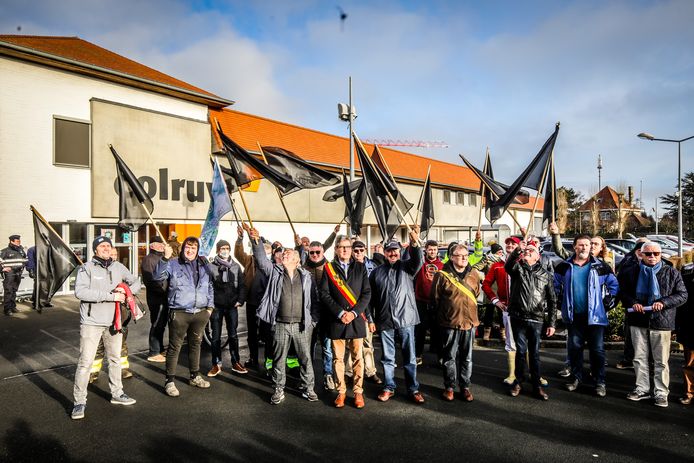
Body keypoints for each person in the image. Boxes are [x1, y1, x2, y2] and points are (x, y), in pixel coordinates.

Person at [71, 236, 140, 420]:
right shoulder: (86, 268)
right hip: (91, 323)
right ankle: (79, 402)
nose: (106, 248)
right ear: (95, 250)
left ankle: (117, 394)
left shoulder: (118, 267)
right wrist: (111, 296)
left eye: (108, 245)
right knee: (85, 363)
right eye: (102, 246)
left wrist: (126, 292)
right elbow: (81, 292)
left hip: (114, 322)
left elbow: (136, 282)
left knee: (116, 359)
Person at [250, 227, 320, 405]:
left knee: (305, 358)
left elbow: (313, 300)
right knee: (279, 359)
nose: (284, 255)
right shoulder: (275, 271)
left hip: (302, 325)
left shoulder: (306, 276)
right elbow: (261, 259)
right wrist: (256, 242)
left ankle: (308, 388)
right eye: (284, 253)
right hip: (280, 324)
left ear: (297, 260)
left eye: (289, 254)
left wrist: (313, 321)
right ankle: (278, 389)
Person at [618, 242, 687, 407]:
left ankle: (661, 393)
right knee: (639, 358)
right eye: (648, 254)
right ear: (640, 254)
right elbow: (622, 293)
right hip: (637, 320)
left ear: (661, 254)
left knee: (661, 360)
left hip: (661, 321)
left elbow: (682, 295)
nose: (653, 257)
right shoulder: (630, 272)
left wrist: (664, 302)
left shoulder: (671, 272)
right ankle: (642, 389)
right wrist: (633, 302)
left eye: (656, 253)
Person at [554, 235, 619, 397]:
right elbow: (554, 287)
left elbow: (614, 287)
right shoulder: (564, 267)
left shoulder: (601, 267)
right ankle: (576, 378)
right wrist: (561, 304)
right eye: (580, 245)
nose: (583, 248)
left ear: (591, 247)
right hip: (574, 316)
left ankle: (599, 382)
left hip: (596, 318)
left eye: (587, 245)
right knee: (575, 349)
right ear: (574, 247)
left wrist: (604, 306)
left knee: (597, 351)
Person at [369, 226, 425, 404]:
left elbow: (418, 258)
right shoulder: (376, 273)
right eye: (389, 251)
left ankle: (413, 389)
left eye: (395, 250)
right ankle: (388, 387)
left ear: (400, 252)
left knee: (409, 358)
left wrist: (415, 243)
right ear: (384, 253)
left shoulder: (408, 267)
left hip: (406, 320)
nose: (392, 253)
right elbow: (370, 300)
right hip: (385, 320)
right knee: (387, 358)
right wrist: (371, 319)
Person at [154, 236, 214, 397]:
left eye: (194, 248)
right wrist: (165, 258)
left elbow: (210, 286)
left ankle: (195, 376)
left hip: (200, 313)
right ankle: (169, 381)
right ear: (182, 248)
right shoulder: (172, 263)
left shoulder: (203, 264)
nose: (190, 250)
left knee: (196, 344)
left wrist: (210, 308)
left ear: (197, 250)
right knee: (175, 347)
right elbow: (157, 277)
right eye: (188, 247)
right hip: (179, 313)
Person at [320, 236, 371, 408]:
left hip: (355, 321)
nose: (345, 250)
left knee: (358, 358)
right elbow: (324, 294)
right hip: (337, 320)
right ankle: (341, 391)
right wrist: (341, 312)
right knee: (338, 359)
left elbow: (366, 294)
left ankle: (358, 392)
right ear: (335, 249)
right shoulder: (328, 268)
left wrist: (354, 313)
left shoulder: (361, 267)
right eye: (341, 247)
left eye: (347, 247)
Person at [505, 241, 557, 401]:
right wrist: (517, 250)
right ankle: (518, 382)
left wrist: (552, 323)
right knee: (520, 352)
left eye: (531, 250)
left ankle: (536, 385)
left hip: (537, 319)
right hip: (518, 317)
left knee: (534, 354)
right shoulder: (517, 268)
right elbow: (508, 265)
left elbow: (552, 300)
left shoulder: (546, 275)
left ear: (537, 256)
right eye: (526, 250)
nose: (527, 251)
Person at [430, 243, 481, 401]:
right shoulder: (442, 275)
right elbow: (435, 299)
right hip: (450, 324)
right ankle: (450, 387)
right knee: (449, 358)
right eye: (460, 255)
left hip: (470, 323)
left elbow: (477, 292)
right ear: (452, 257)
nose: (465, 257)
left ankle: (465, 386)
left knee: (467, 358)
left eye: (466, 254)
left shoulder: (473, 273)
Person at [89, 247, 134, 383]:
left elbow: (134, 284)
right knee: (98, 345)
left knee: (121, 343)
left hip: (120, 314)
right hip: (101, 314)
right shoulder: (94, 271)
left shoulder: (121, 271)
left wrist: (127, 291)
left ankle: (123, 369)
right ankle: (93, 372)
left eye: (115, 254)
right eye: (111, 254)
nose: (113, 256)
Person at [483, 236, 519, 385]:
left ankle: (532, 373)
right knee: (511, 342)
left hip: (525, 309)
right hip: (507, 308)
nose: (510, 245)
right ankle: (512, 374)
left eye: (513, 243)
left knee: (528, 342)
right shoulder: (497, 265)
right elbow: (486, 284)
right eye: (508, 243)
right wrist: (496, 301)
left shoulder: (524, 263)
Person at [207, 239, 247, 376]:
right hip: (217, 307)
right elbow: (208, 287)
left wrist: (240, 300)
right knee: (215, 337)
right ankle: (216, 364)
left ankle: (236, 362)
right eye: (222, 248)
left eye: (227, 248)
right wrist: (210, 304)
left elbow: (242, 285)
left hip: (232, 306)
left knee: (233, 335)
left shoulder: (236, 267)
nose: (225, 250)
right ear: (218, 250)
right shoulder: (211, 267)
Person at [347, 240, 382, 385]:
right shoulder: (347, 267)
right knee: (351, 343)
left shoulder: (373, 266)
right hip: (352, 308)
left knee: (368, 344)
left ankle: (370, 371)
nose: (358, 253)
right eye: (356, 251)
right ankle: (349, 372)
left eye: (361, 250)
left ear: (365, 250)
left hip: (369, 308)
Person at [302, 240, 335, 391]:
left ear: (323, 252)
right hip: (309, 315)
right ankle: (308, 377)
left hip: (327, 314)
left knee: (327, 348)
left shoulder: (330, 268)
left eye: (317, 252)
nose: (314, 255)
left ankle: (328, 375)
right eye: (312, 252)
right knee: (308, 347)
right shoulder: (302, 269)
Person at [615, 238, 650, 370]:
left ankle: (646, 361)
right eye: (643, 251)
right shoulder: (628, 263)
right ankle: (629, 358)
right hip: (632, 305)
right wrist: (631, 302)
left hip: (649, 306)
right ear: (638, 251)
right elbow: (622, 286)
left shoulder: (656, 263)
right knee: (630, 334)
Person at [414, 239, 443, 364]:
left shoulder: (442, 266)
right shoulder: (420, 263)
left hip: (436, 302)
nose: (432, 252)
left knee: (438, 331)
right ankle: (418, 355)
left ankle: (441, 357)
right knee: (420, 330)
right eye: (430, 249)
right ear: (425, 250)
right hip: (421, 301)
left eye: (435, 250)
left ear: (437, 251)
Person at [141, 236, 168, 363]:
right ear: (152, 246)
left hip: (164, 297)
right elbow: (149, 281)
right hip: (156, 298)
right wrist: (163, 291)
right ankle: (154, 352)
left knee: (161, 325)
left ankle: (160, 348)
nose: (163, 245)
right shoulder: (149, 259)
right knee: (157, 324)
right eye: (159, 243)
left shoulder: (161, 258)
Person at [476, 243, 505, 341]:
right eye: (498, 252)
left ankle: (503, 333)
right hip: (490, 291)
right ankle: (486, 334)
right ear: (493, 252)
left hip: (501, 290)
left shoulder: (504, 261)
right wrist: (483, 278)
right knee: (489, 313)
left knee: (502, 313)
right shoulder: (487, 260)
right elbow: (474, 268)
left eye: (501, 252)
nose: (501, 254)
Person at [677, 263, 694, 405]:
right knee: (689, 364)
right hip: (690, 327)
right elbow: (681, 305)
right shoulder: (686, 277)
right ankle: (689, 393)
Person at [1, 235, 27, 316]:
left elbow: (24, 260)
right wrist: (2, 269)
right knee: (8, 291)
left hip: (18, 273)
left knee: (14, 291)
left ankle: (13, 307)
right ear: (11, 241)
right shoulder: (5, 251)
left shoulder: (21, 250)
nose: (19, 242)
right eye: (17, 241)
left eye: (19, 241)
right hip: (9, 274)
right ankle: (7, 309)